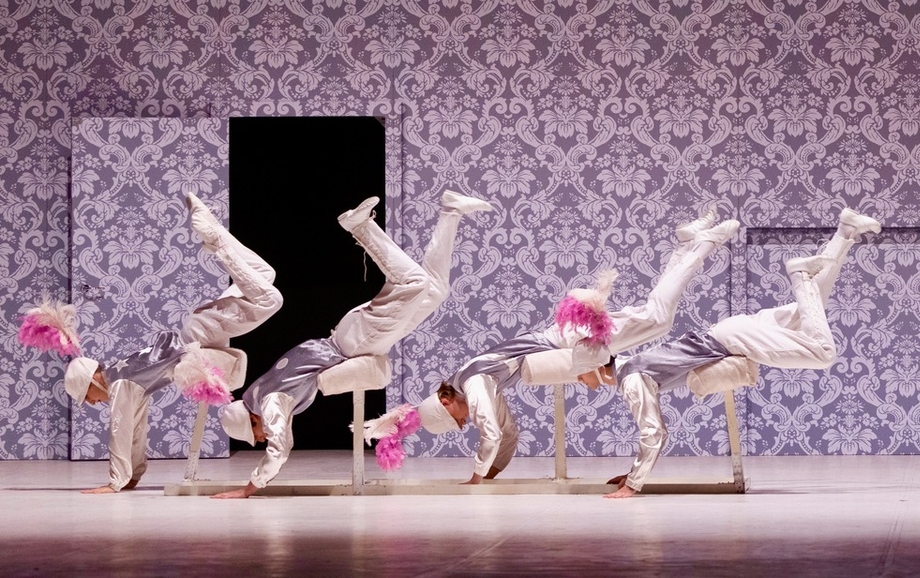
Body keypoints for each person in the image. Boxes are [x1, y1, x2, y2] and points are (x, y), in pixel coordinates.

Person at [398, 210, 740, 483]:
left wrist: (474, 478)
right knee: (656, 315)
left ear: (446, 402)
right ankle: (687, 244)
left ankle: (703, 243)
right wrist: (490, 475)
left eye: (457, 421)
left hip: (574, 340)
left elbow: (490, 431)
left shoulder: (473, 383)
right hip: (570, 337)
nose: (464, 423)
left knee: (658, 317)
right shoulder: (473, 378)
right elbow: (507, 433)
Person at [210, 190, 490, 497]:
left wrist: (249, 489)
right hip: (354, 339)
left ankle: (360, 226)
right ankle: (451, 211)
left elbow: (279, 448)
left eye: (255, 435)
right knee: (434, 290)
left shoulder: (269, 402)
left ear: (252, 419)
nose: (261, 439)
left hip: (353, 344)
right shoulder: (265, 392)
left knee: (414, 283)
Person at [591, 207, 881, 499]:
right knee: (810, 305)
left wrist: (633, 483)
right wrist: (630, 474)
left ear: (596, 365)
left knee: (823, 353)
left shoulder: (631, 378)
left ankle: (800, 273)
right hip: (729, 332)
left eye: (579, 373)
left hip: (731, 341)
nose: (578, 379)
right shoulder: (633, 366)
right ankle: (845, 231)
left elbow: (654, 431)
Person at [24, 193, 283, 493]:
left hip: (198, 337)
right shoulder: (126, 379)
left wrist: (115, 482)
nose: (92, 403)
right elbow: (136, 428)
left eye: (87, 397)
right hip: (200, 333)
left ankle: (215, 239)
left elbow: (120, 431)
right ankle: (213, 233)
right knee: (264, 275)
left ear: (92, 380)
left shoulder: (119, 383)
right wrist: (134, 476)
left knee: (270, 299)